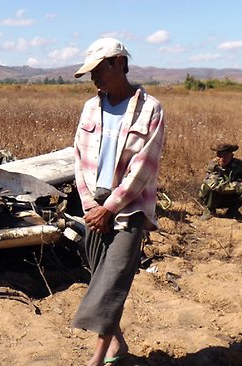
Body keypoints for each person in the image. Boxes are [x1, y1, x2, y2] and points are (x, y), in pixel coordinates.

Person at [71, 38, 165, 366]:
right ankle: (118, 343)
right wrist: (90, 206)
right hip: (92, 205)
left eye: (99, 69)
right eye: (90, 72)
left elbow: (144, 167)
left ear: (119, 64)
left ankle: (97, 357)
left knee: (113, 278)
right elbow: (79, 158)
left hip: (130, 206)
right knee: (100, 275)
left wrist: (110, 208)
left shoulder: (151, 109)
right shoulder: (90, 108)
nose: (94, 77)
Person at [199, 143, 242, 220]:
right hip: (215, 197)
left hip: (230, 196)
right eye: (219, 156)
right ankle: (210, 210)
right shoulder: (213, 166)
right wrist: (240, 185)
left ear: (231, 156)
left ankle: (232, 211)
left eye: (225, 156)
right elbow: (217, 186)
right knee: (208, 188)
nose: (221, 159)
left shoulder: (239, 165)